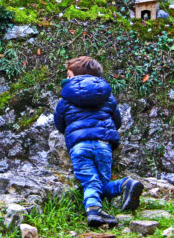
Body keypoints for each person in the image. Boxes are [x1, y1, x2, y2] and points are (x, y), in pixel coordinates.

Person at [54, 56, 143, 227]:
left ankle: (93, 209)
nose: (67, 79)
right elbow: (117, 122)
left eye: (69, 75)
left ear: (75, 76)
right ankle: (126, 184)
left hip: (80, 146)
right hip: (103, 144)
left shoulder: (65, 99)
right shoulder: (106, 96)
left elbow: (59, 123)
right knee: (102, 184)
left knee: (90, 181)